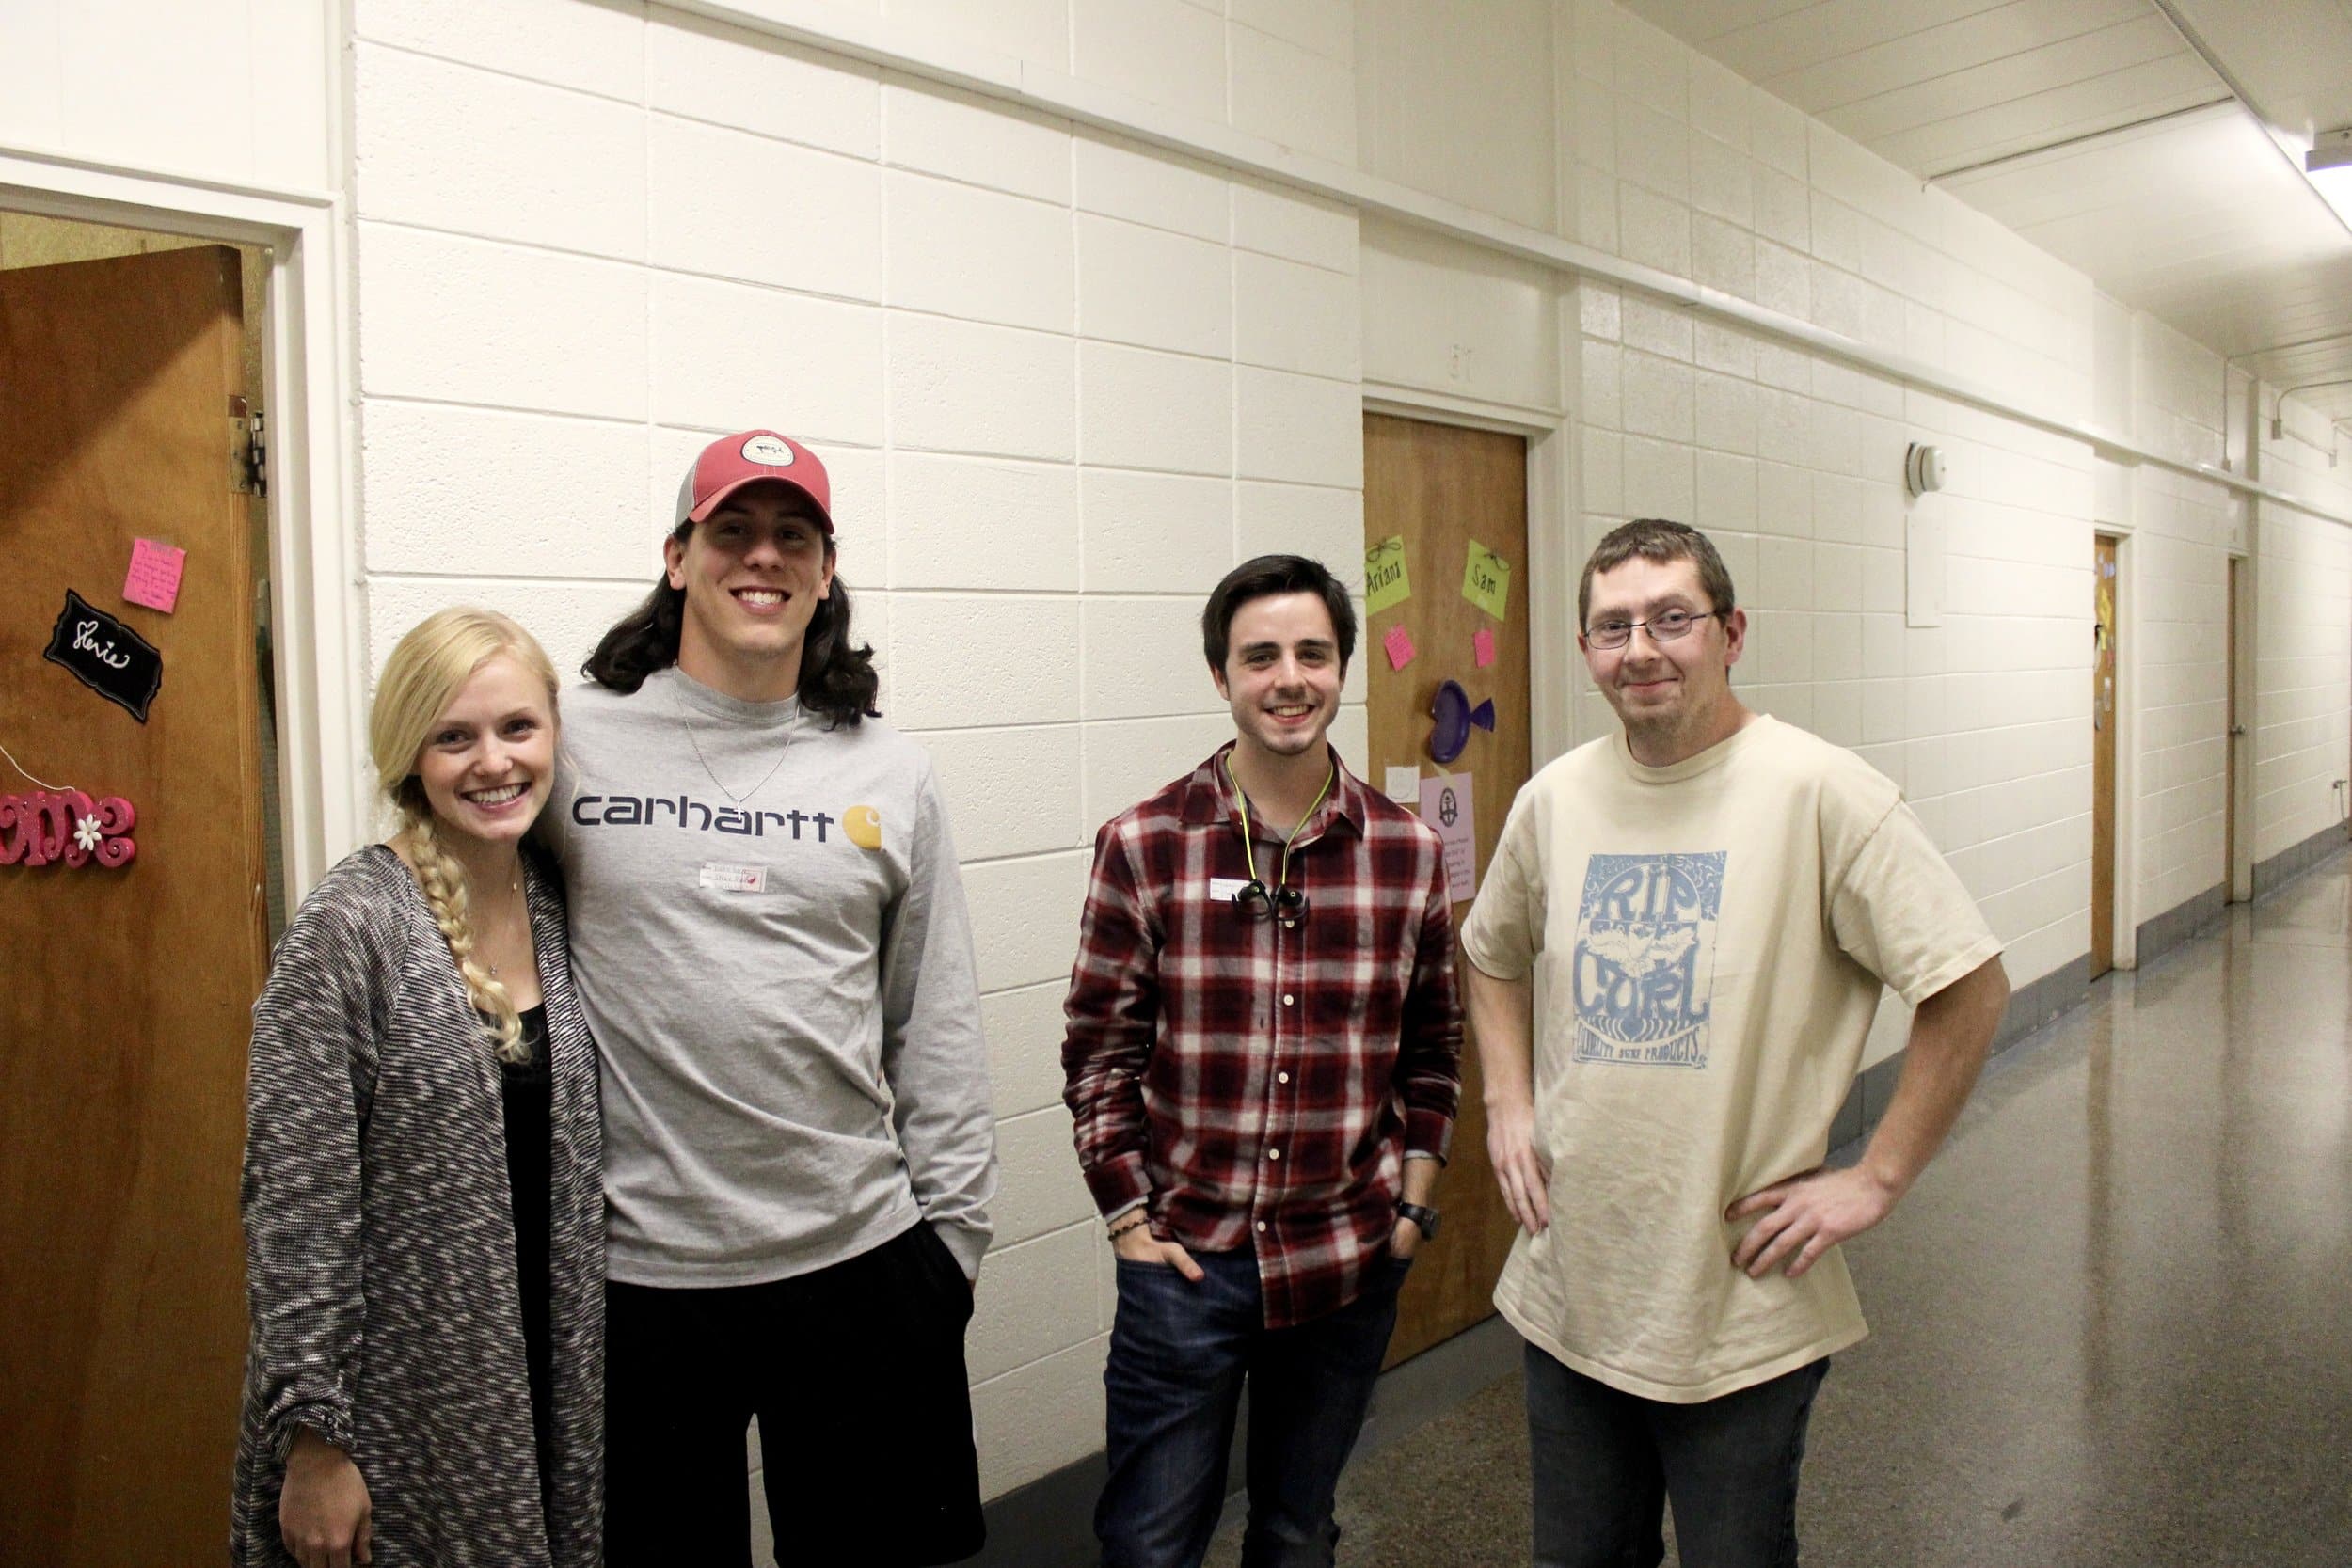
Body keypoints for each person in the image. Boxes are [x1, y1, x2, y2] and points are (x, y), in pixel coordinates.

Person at [1460, 518, 2012, 1568]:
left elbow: (1967, 984)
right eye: (1612, 626)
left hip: (1737, 1300)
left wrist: (1876, 1176)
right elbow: (1488, 952)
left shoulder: (1821, 791)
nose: (1641, 649)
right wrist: (1506, 1101)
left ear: (1730, 632)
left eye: (1672, 617)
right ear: (1585, 651)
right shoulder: (1555, 798)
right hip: (1574, 1283)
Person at [548, 429, 995, 1567]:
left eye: (793, 534)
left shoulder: (890, 769)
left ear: (825, 569)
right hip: (636, 1276)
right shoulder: (571, 741)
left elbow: (930, 1015)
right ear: (677, 554)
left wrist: (951, 1246)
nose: (763, 555)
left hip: (857, 1260)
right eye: (733, 528)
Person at [1062, 553, 1464, 1568]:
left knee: (1295, 1532)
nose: (1289, 676)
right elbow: (1099, 1050)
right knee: (1150, 1544)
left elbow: (1433, 1047)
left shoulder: (1405, 849)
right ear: (1221, 676)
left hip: (1345, 1256)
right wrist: (1127, 1217)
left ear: (1342, 668)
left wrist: (1411, 1204)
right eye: (1261, 656)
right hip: (1186, 1263)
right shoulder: (1145, 841)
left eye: (1312, 653)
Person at [232, 609, 603, 1568]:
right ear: (410, 755)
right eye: (455, 736)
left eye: (517, 727)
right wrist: (313, 1440)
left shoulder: (554, 902)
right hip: (397, 1414)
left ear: (554, 735)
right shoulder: (354, 925)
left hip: (539, 1384)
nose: (493, 761)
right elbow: (296, 1203)